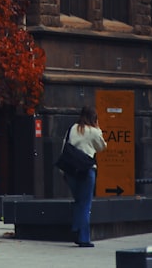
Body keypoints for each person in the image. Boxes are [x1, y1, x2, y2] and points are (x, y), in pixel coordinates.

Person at [62, 105, 106, 247]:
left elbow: (64, 147)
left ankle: (77, 229)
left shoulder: (72, 129)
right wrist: (98, 128)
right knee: (85, 203)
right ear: (94, 117)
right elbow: (102, 147)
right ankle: (83, 238)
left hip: (70, 170)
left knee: (79, 201)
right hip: (87, 170)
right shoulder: (93, 131)